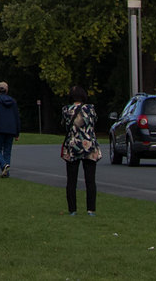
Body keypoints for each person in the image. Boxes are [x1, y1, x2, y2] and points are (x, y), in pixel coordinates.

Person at [60, 85, 101, 216]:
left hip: (73, 146)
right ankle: (91, 209)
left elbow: (65, 125)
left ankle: (72, 209)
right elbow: (94, 122)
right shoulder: (90, 109)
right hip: (89, 146)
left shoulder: (66, 110)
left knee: (71, 180)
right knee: (90, 180)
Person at [0, 80, 21, 177]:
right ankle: (6, 171)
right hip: (11, 129)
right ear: (7, 90)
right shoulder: (13, 101)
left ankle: (3, 165)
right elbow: (16, 117)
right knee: (7, 151)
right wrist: (17, 132)